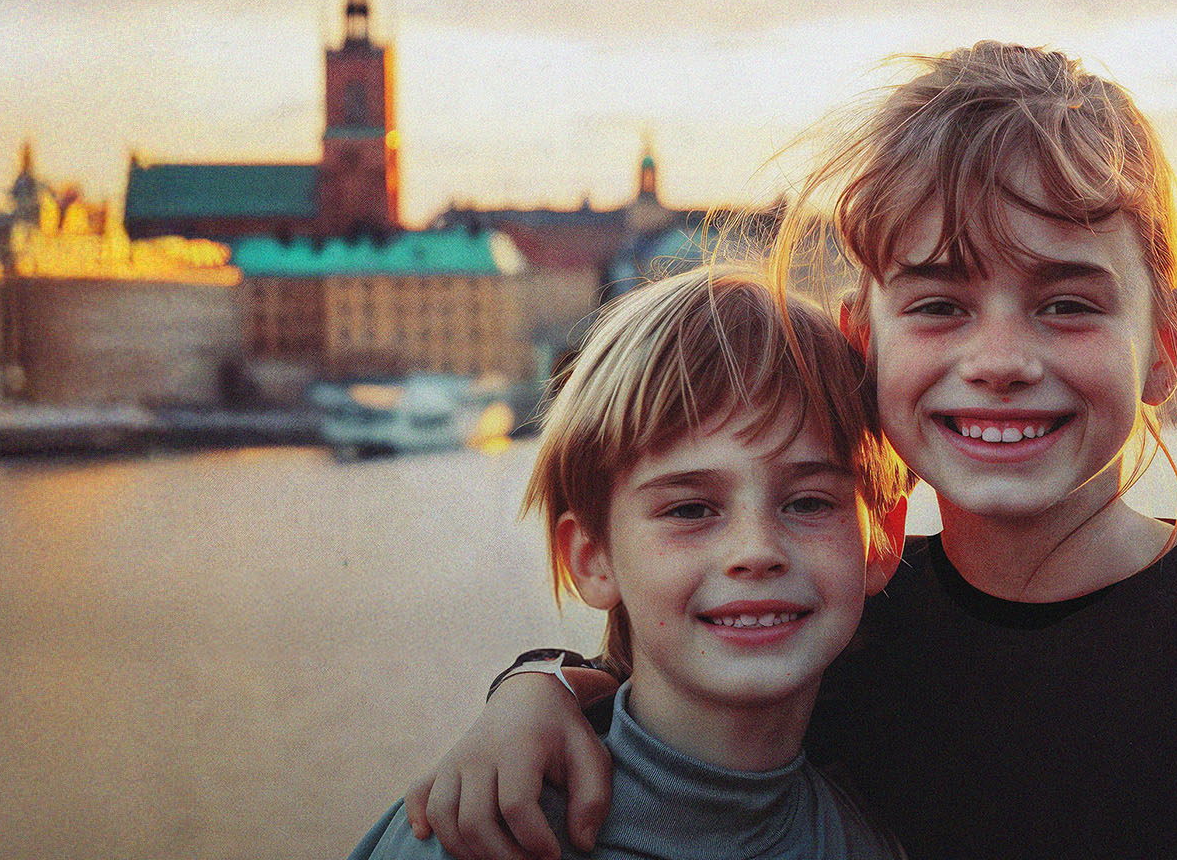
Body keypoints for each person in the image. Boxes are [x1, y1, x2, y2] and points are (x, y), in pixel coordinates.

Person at [407, 42, 1177, 859]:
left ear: (1167, 346)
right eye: (942, 303)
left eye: (1068, 303)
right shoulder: (845, 625)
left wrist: (537, 688)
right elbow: (664, 710)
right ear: (866, 343)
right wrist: (536, 692)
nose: (999, 360)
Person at [349, 266, 907, 860]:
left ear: (882, 540)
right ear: (592, 560)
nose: (756, 550)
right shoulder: (475, 831)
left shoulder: (869, 840)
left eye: (807, 502)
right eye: (691, 509)